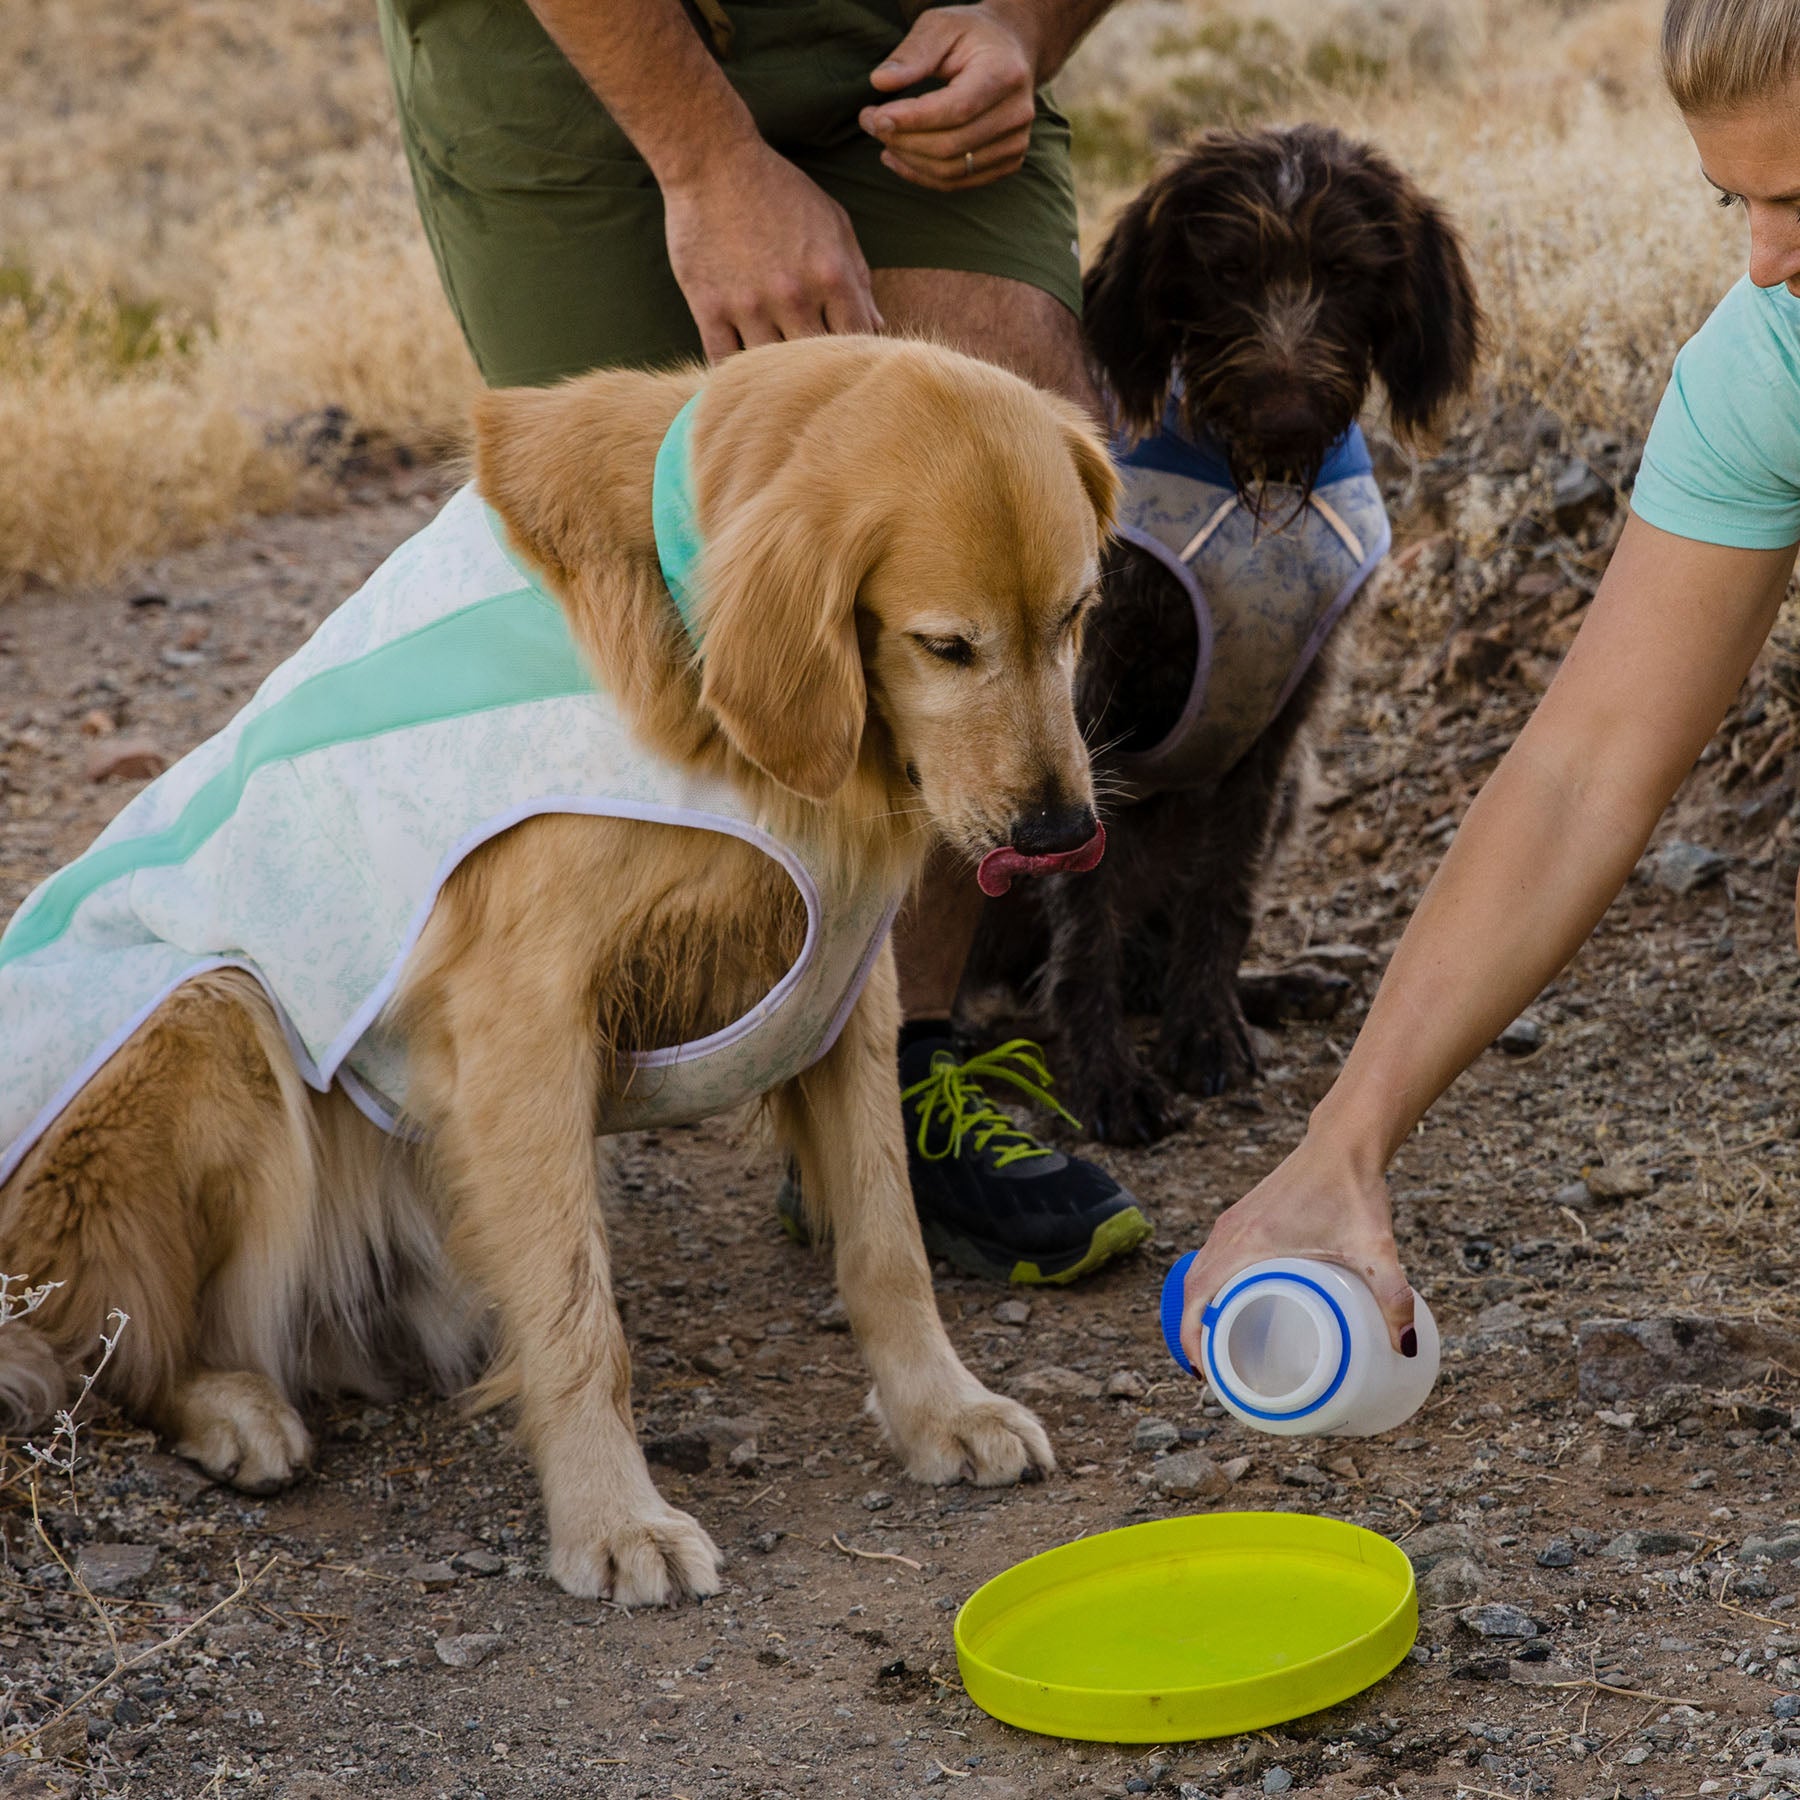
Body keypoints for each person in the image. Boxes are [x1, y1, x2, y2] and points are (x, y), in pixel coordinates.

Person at [375, 0, 1150, 1284]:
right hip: (582, 44)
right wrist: (706, 162)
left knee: (1009, 434)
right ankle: (546, 1050)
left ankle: (897, 1072)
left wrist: (1021, 20)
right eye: (960, 655)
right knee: (640, 562)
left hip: (900, 36)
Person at [1179, 0, 1800, 1364]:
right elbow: (1584, 772)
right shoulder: (1765, 366)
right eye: (1735, 203)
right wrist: (1343, 1141)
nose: (1764, 262)